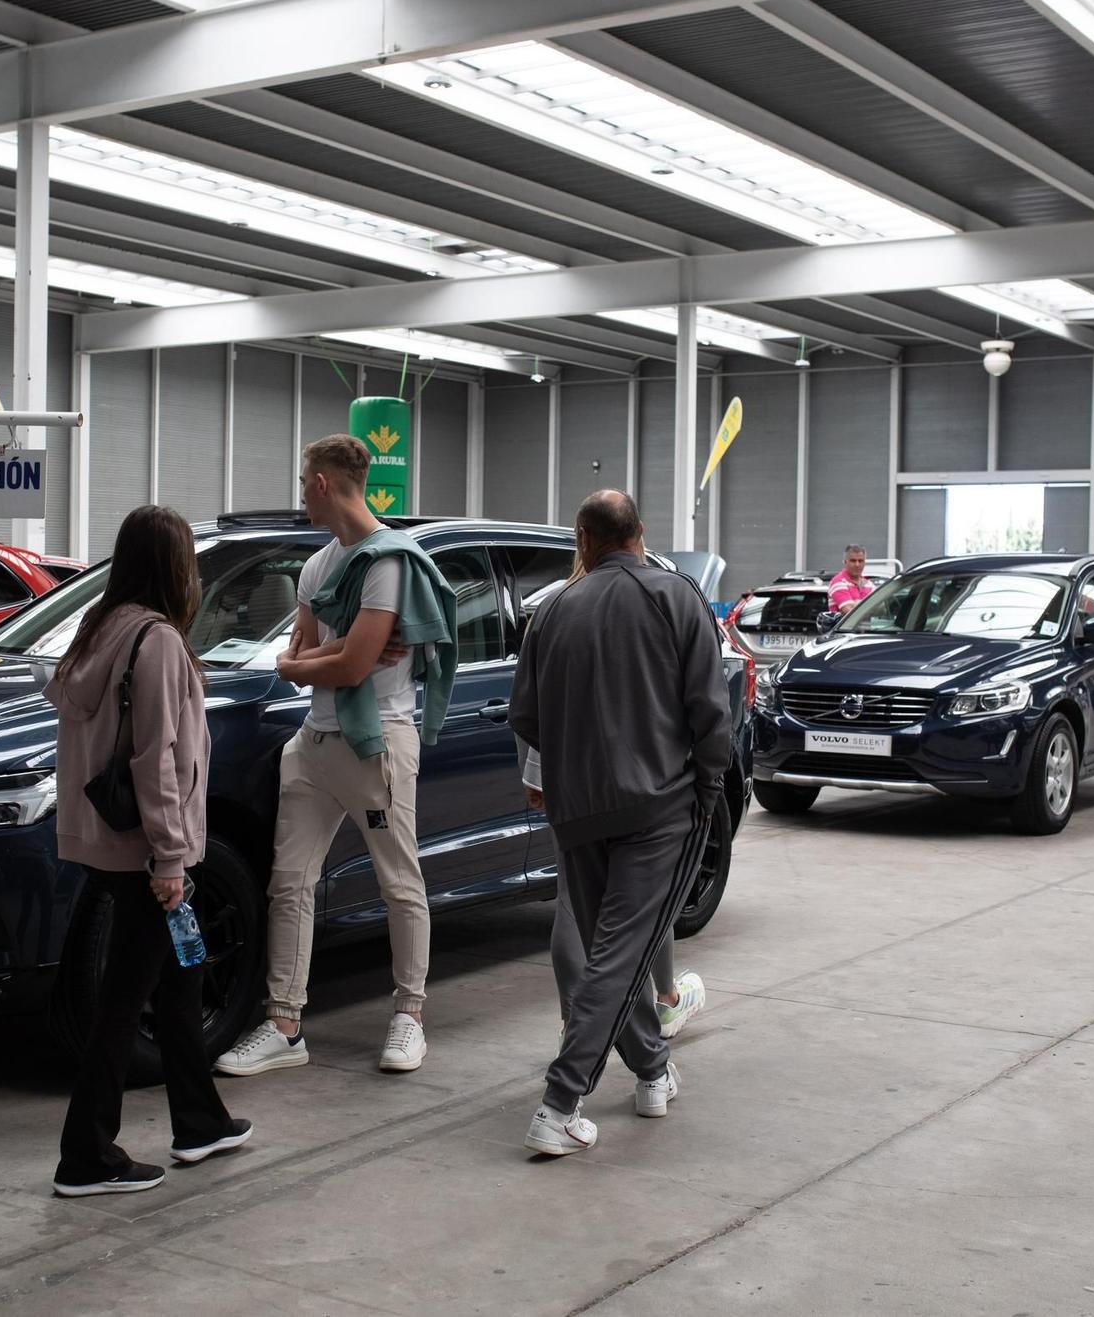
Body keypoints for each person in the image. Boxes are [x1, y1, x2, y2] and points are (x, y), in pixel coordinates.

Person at [215, 434, 457, 1079]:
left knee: (398, 882)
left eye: (303, 483)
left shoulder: (389, 564)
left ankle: (410, 1016)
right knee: (289, 883)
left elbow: (343, 666)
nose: (301, 494)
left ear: (322, 483)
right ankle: (285, 1025)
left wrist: (319, 659)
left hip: (374, 745)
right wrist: (326, 656)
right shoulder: (318, 567)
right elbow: (299, 659)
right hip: (313, 749)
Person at [511, 490, 732, 1157]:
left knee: (615, 951)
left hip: (578, 809)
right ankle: (559, 1102)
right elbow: (710, 708)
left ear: (583, 538)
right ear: (640, 533)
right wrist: (710, 782)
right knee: (619, 954)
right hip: (660, 807)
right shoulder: (676, 596)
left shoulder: (551, 614)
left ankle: (653, 1070)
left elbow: (526, 717)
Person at [47, 505, 250, 1198]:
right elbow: (155, 758)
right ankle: (86, 1154)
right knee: (123, 999)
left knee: (180, 977)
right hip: (148, 852)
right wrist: (170, 859)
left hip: (104, 842)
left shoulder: (98, 627)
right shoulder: (157, 639)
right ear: (173, 565)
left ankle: (200, 1119)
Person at [524, 746, 708, 1040]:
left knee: (571, 893)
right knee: (649, 889)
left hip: (561, 757)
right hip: (632, 760)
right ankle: (665, 1001)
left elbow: (527, 707)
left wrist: (536, 768)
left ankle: (575, 1029)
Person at [828, 544, 875, 614]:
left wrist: (855, 604)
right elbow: (850, 612)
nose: (857, 565)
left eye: (860, 561)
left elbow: (882, 609)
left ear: (864, 563)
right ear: (845, 562)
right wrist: (870, 606)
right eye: (853, 561)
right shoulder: (838, 582)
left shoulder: (869, 584)